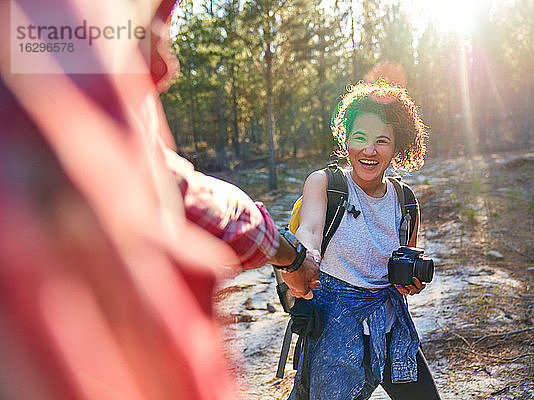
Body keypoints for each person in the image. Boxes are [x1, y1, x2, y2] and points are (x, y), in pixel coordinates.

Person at [0, 1, 317, 399]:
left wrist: (287, 255)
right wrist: (290, 256)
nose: (167, 71)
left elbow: (174, 191)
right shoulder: (51, 45)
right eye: (154, 23)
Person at [287, 72, 441, 399]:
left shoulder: (406, 201)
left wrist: (410, 284)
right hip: (335, 330)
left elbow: (403, 268)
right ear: (346, 141)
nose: (369, 150)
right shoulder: (326, 184)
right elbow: (311, 232)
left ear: (397, 145)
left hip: (389, 327)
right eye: (360, 137)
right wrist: (305, 258)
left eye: (382, 141)